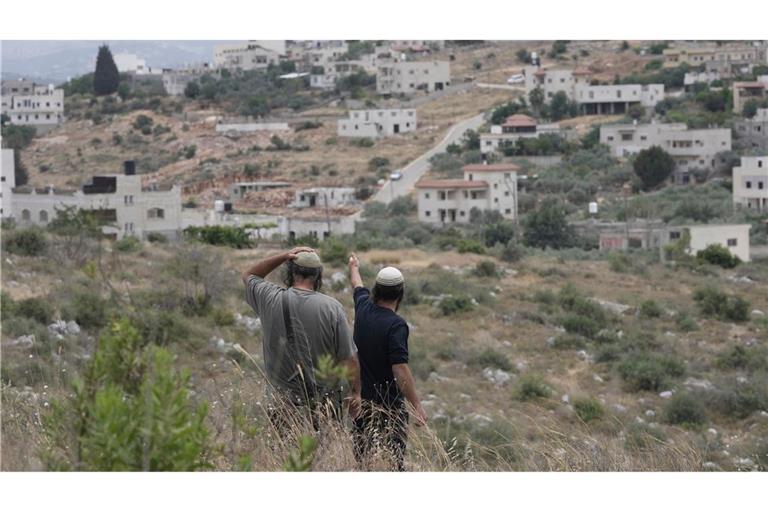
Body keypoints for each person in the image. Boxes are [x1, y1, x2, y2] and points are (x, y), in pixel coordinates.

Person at [242, 246, 361, 431]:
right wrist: (356, 393)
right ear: (318, 276)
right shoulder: (332, 308)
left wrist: (284, 256)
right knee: (326, 455)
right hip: (324, 405)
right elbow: (349, 359)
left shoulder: (269, 298)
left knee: (283, 456)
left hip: (283, 404)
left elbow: (250, 275)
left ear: (291, 272)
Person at [348, 253, 427, 471]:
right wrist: (416, 405)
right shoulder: (396, 325)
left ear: (376, 290)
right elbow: (400, 369)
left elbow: (356, 283)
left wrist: (354, 265)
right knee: (394, 465)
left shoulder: (363, 307)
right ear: (400, 293)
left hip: (362, 404)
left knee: (362, 463)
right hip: (389, 408)